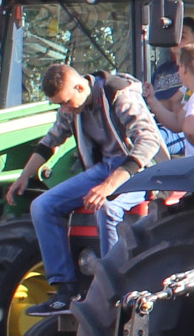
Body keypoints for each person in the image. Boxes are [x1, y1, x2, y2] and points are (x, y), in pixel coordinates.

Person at [12, 62, 167, 315]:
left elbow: (147, 141)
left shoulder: (120, 94)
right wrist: (24, 176)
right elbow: (51, 140)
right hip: (103, 166)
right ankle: (65, 289)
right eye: (59, 104)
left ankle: (112, 289)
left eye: (66, 102)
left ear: (80, 86)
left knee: (107, 208)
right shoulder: (71, 106)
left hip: (140, 169)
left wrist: (108, 185)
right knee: (42, 206)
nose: (64, 109)